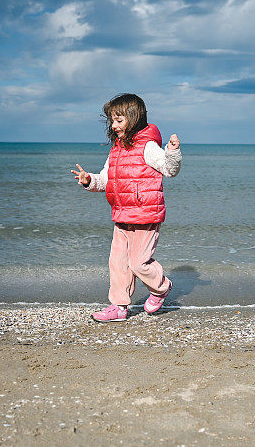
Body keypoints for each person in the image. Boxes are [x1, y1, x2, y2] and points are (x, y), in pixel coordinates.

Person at [71, 93, 182, 322]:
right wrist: (89, 180)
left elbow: (169, 170)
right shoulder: (116, 149)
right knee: (118, 262)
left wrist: (171, 153)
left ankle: (161, 287)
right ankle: (119, 306)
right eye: (112, 120)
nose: (114, 125)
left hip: (146, 214)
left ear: (133, 118)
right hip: (121, 215)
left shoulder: (148, 146)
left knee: (139, 263)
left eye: (119, 120)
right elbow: (106, 178)